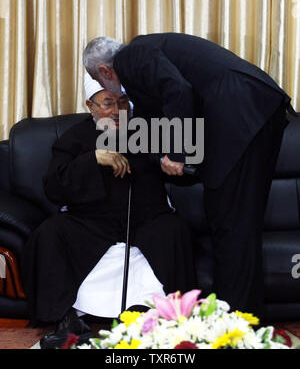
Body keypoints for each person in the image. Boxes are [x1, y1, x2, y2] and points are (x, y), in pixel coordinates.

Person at [82, 33, 297, 318]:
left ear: (105, 71)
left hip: (243, 111)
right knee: (235, 223)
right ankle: (241, 319)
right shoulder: (144, 60)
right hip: (253, 112)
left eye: (101, 82)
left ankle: (235, 323)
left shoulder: (131, 57)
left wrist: (178, 154)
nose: (110, 91)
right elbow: (154, 119)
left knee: (231, 224)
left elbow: (177, 91)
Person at [20, 76, 198, 349]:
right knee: (49, 234)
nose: (117, 111)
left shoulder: (149, 130)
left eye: (123, 102)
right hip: (89, 224)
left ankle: (147, 310)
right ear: (90, 107)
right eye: (108, 103)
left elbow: (187, 169)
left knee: (173, 232)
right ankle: (66, 318)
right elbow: (54, 187)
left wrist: (174, 160)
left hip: (145, 220)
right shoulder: (75, 137)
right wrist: (92, 158)